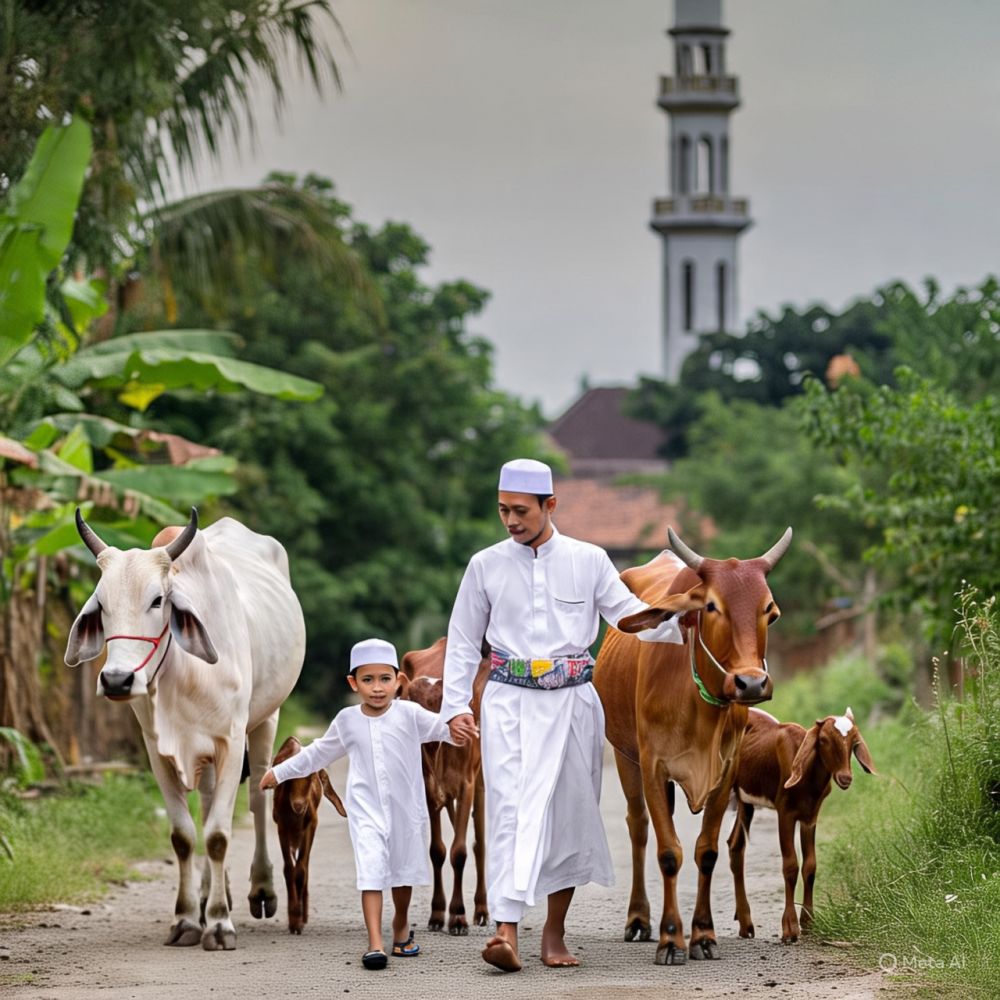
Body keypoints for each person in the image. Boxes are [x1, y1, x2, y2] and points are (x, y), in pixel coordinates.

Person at [441, 458, 683, 972]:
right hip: (508, 701)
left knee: (569, 816)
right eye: (504, 510)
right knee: (509, 811)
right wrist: (455, 706)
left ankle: (553, 934)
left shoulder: (590, 559)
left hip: (575, 702)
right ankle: (505, 931)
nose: (511, 521)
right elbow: (463, 642)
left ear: (551, 505)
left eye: (521, 511)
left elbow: (627, 617)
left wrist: (684, 613)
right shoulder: (485, 565)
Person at [260, 637, 461, 970]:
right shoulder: (347, 721)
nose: (377, 688)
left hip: (405, 812)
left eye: (385, 679)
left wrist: (466, 727)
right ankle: (375, 944)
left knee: (401, 873)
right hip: (366, 812)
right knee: (370, 872)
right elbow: (317, 753)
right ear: (353, 683)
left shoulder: (411, 715)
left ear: (399, 681)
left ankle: (400, 925)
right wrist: (278, 773)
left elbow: (446, 730)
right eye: (367, 680)